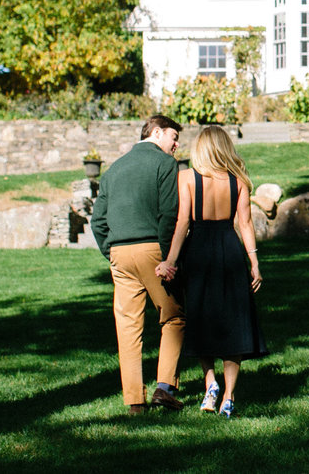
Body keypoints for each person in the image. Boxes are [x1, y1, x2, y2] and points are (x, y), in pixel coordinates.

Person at [157, 125, 267, 418]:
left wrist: (170, 260)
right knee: (234, 321)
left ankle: (210, 383)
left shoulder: (187, 178)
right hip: (230, 251)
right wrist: (254, 263)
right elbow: (245, 225)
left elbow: (182, 224)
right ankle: (229, 397)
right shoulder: (239, 181)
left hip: (198, 252)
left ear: (201, 149)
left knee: (201, 317)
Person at [91, 114, 186, 415]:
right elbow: (169, 212)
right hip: (152, 249)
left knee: (128, 328)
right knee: (174, 317)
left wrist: (111, 250)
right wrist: (167, 256)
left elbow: (97, 220)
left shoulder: (114, 169)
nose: (176, 144)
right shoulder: (165, 164)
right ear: (156, 133)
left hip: (119, 252)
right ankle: (165, 387)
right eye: (173, 136)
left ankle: (134, 402)